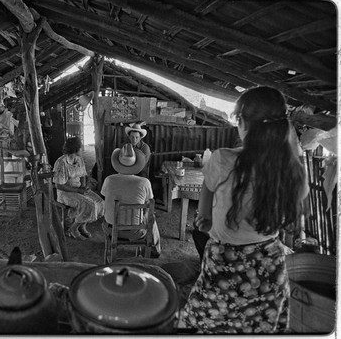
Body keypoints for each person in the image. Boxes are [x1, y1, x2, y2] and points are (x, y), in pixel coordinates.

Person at [180, 86, 309, 334]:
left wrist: (206, 218)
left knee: (202, 326)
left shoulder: (223, 160)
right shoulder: (294, 171)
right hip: (270, 262)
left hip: (225, 263)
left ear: (242, 122)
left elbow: (203, 216)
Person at [101, 143, 161, 258]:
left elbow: (105, 196)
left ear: (118, 162)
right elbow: (149, 202)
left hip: (111, 229)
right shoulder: (144, 182)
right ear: (135, 163)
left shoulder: (109, 180)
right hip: (135, 233)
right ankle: (154, 250)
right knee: (150, 215)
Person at [53, 137, 104, 240]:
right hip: (64, 193)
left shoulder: (79, 159)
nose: (82, 150)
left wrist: (83, 187)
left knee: (100, 202)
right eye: (81, 148)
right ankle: (73, 229)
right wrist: (78, 191)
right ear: (75, 149)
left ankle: (82, 226)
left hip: (78, 188)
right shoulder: (61, 163)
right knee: (90, 204)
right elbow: (59, 185)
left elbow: (83, 176)